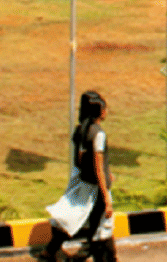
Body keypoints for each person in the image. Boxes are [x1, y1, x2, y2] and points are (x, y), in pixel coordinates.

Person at [40, 91, 117, 262]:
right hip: (96, 187)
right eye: (104, 108)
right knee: (103, 228)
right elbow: (98, 167)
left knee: (72, 217)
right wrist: (106, 198)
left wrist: (106, 173)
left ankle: (50, 250)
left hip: (83, 182)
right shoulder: (98, 134)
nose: (106, 111)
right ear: (100, 111)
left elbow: (81, 160)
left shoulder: (80, 130)